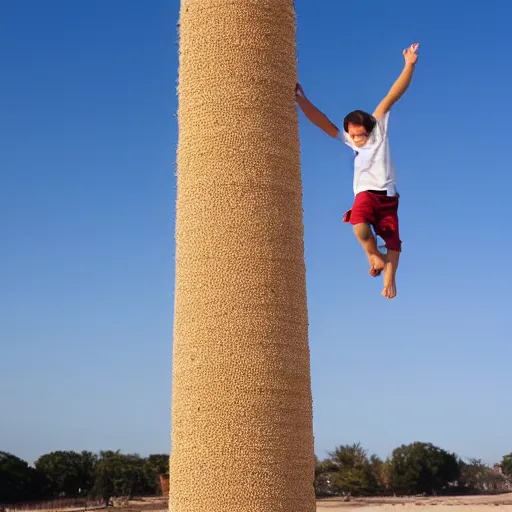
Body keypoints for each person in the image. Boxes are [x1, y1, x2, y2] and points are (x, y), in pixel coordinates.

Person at [295, 43, 420, 299]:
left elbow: (393, 94)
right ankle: (373, 255)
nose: (357, 139)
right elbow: (324, 123)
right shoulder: (349, 138)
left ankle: (389, 276)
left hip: (387, 196)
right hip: (364, 194)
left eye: (361, 135)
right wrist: (302, 101)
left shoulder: (379, 126)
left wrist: (408, 65)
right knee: (359, 225)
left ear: (370, 128)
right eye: (353, 135)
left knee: (393, 241)